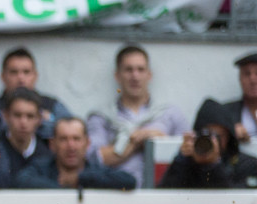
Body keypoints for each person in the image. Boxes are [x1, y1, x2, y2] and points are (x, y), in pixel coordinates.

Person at [87, 44, 190, 187]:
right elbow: (93, 159)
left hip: (164, 196)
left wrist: (160, 141)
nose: (135, 76)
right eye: (128, 70)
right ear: (117, 75)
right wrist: (135, 141)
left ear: (149, 75)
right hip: (117, 196)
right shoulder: (101, 117)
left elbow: (189, 153)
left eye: (140, 70)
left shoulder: (171, 114)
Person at [159, 99, 257, 189]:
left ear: (229, 137)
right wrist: (181, 159)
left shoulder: (243, 164)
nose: (213, 141)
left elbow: (231, 198)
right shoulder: (187, 161)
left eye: (219, 136)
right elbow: (164, 194)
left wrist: (214, 165)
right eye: (208, 134)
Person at [14, 117, 136, 189]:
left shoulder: (96, 169)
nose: (71, 146)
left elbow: (129, 181)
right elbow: (21, 180)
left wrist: (80, 178)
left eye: (76, 139)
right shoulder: (40, 168)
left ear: (87, 143)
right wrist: (64, 189)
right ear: (52, 144)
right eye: (63, 139)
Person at [0, 47, 73, 141]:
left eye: (26, 72)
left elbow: (71, 134)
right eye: (14, 72)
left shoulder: (53, 106)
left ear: (35, 76)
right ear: (3, 77)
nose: (21, 78)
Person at [0, 88, 52, 177]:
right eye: (17, 115)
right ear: (6, 116)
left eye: (30, 116)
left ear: (39, 118)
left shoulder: (47, 155)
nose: (23, 122)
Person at [223, 52, 257, 144]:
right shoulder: (225, 112)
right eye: (247, 74)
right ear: (240, 79)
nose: (253, 80)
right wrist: (230, 132)